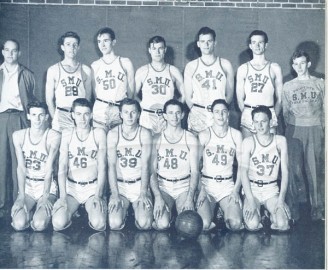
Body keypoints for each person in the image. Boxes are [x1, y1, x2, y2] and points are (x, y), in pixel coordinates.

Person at [52, 98, 107, 231]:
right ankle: (74, 212)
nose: (82, 118)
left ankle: (86, 212)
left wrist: (98, 195)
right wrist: (63, 197)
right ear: (72, 115)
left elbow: (102, 167)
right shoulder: (67, 134)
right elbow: (62, 168)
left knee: (98, 223)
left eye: (86, 114)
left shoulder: (98, 133)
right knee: (58, 223)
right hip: (72, 189)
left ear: (91, 115)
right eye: (78, 114)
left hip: (92, 188)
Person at [282, 50, 325, 222]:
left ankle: (318, 208)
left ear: (308, 64)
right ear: (292, 66)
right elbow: (285, 112)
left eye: (302, 63)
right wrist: (291, 128)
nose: (299, 67)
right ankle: (293, 209)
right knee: (293, 170)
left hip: (314, 128)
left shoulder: (320, 83)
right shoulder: (288, 86)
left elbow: (325, 110)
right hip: (294, 129)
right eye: (295, 64)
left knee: (315, 170)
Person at [0, 39, 37, 217]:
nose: (10, 54)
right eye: (7, 50)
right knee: (1, 160)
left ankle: (18, 199)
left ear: (19, 53)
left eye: (14, 51)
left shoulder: (27, 74)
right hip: (1, 118)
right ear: (2, 52)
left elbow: (31, 100)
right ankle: (1, 201)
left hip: (19, 117)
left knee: (18, 161)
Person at [11, 101, 60, 231]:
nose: (37, 119)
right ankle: (31, 213)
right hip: (28, 187)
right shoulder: (18, 136)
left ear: (46, 117)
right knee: (19, 224)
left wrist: (45, 197)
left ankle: (39, 212)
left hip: (46, 186)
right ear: (28, 116)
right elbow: (20, 168)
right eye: (34, 115)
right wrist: (21, 196)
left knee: (39, 225)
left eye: (41, 115)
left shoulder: (53, 136)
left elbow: (49, 169)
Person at [150, 99, 199, 230]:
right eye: (170, 113)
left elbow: (195, 172)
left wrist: (190, 197)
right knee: (162, 224)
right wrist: (158, 197)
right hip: (163, 187)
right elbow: (152, 172)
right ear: (164, 115)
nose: (174, 116)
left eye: (178, 113)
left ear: (183, 115)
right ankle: (169, 215)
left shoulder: (190, 138)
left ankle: (175, 214)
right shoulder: (156, 139)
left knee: (188, 226)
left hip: (183, 186)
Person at [196, 99, 243, 231]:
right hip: (207, 185)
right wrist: (201, 189)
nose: (220, 115)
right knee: (204, 224)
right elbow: (194, 167)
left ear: (228, 113)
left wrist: (236, 190)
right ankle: (214, 212)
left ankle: (222, 212)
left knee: (235, 224)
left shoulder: (236, 135)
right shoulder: (204, 135)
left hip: (227, 186)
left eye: (223, 112)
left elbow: (242, 166)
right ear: (212, 114)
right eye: (217, 112)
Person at [241, 106, 290, 231]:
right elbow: (243, 173)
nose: (260, 125)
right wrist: (251, 200)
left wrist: (281, 200)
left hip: (271, 190)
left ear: (271, 121)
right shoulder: (248, 142)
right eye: (256, 122)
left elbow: (285, 172)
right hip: (253, 189)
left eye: (263, 121)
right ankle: (261, 213)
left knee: (283, 225)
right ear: (252, 123)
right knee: (252, 225)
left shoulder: (280, 141)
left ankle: (268, 213)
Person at [107, 98, 153, 230]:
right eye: (126, 112)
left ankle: (136, 212)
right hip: (120, 186)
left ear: (139, 114)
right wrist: (114, 193)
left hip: (139, 185)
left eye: (133, 112)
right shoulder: (113, 134)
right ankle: (125, 212)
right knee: (114, 223)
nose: (130, 116)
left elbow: (145, 166)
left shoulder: (144, 134)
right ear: (120, 114)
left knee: (145, 224)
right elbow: (111, 166)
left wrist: (143, 192)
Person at [184, 26, 234, 134]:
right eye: (203, 41)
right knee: (197, 148)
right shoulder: (191, 66)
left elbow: (229, 95)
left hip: (218, 114)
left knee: (217, 148)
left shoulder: (225, 64)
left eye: (209, 41)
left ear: (215, 43)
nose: (206, 45)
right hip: (198, 112)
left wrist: (220, 110)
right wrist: (196, 110)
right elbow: (188, 97)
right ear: (198, 44)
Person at [236, 30, 283, 138]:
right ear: (250, 45)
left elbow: (280, 99)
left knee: (268, 152)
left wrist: (272, 116)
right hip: (249, 112)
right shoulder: (243, 68)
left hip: (268, 111)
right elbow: (239, 99)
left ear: (266, 45)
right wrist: (248, 114)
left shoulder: (274, 68)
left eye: (260, 42)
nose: (257, 45)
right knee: (248, 150)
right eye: (254, 42)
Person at [135, 36, 185, 134]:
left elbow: (185, 95)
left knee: (166, 147)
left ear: (165, 50)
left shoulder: (173, 71)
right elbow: (132, 95)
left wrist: (173, 109)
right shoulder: (142, 71)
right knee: (147, 146)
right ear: (149, 50)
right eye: (154, 49)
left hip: (167, 117)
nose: (157, 52)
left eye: (160, 48)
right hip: (147, 117)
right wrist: (142, 105)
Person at [46, 31, 92, 133]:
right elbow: (49, 100)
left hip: (80, 116)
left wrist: (82, 116)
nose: (72, 48)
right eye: (68, 44)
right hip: (61, 114)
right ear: (62, 47)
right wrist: (55, 118)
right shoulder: (53, 70)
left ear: (78, 47)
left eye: (75, 45)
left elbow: (88, 99)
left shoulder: (86, 70)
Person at [91, 27, 135, 132]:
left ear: (113, 42)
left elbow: (131, 92)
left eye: (106, 41)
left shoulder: (125, 62)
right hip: (100, 112)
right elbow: (95, 93)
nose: (102, 45)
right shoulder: (94, 65)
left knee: (118, 145)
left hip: (118, 111)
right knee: (100, 145)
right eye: (99, 42)